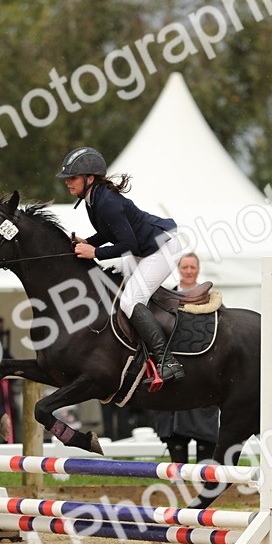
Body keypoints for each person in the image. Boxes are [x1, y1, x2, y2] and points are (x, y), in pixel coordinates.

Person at [57, 146, 185, 385]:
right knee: (115, 289)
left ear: (89, 178)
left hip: (162, 248)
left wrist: (95, 252)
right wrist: (89, 241)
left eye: (72, 178)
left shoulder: (106, 202)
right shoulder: (92, 199)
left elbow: (127, 242)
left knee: (130, 301)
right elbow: (108, 232)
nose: (67, 183)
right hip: (144, 250)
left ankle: (167, 361)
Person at [154, 253, 220, 462]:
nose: (189, 271)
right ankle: (178, 483)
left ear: (198, 270)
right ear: (179, 269)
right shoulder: (165, 297)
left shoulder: (209, 298)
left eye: (192, 267)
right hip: (172, 370)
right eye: (185, 267)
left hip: (201, 373)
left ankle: (205, 488)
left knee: (205, 440)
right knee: (176, 442)